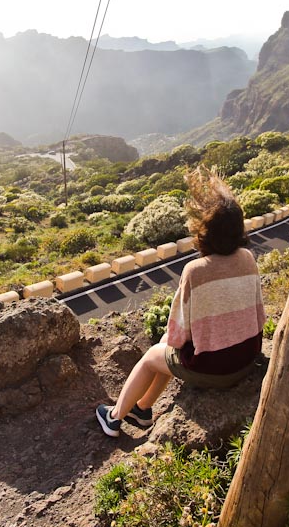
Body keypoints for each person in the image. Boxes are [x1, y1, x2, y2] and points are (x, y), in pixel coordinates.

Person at [96, 167, 265, 437]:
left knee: (154, 354)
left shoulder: (196, 271)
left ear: (204, 232)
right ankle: (141, 409)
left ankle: (114, 418)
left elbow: (178, 335)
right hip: (247, 358)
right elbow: (259, 314)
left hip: (218, 370)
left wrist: (173, 344)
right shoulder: (247, 257)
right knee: (167, 349)